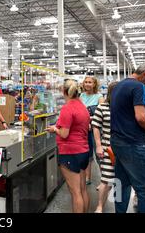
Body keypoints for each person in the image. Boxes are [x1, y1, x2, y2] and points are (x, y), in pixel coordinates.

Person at [110, 61, 145, 213]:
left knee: (121, 184)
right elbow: (140, 117)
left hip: (117, 141)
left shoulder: (118, 86)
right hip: (132, 143)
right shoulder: (139, 86)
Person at [46, 79, 90, 213]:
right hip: (83, 151)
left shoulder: (67, 108)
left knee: (75, 193)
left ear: (64, 91)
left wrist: (54, 129)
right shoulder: (82, 106)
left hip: (70, 152)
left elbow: (64, 134)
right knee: (82, 190)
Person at [92, 81, 118, 213]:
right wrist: (98, 145)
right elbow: (95, 126)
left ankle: (118, 206)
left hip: (125, 149)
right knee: (106, 179)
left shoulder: (127, 107)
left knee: (120, 179)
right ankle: (100, 206)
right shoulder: (102, 107)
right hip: (108, 148)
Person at [80, 76, 104, 185]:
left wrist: (90, 121)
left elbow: (102, 114)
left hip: (96, 130)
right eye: (86, 82)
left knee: (100, 153)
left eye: (90, 82)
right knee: (87, 154)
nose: (87, 84)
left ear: (94, 84)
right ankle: (87, 177)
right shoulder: (81, 96)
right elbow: (79, 113)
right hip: (84, 130)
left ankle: (104, 179)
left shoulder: (99, 97)